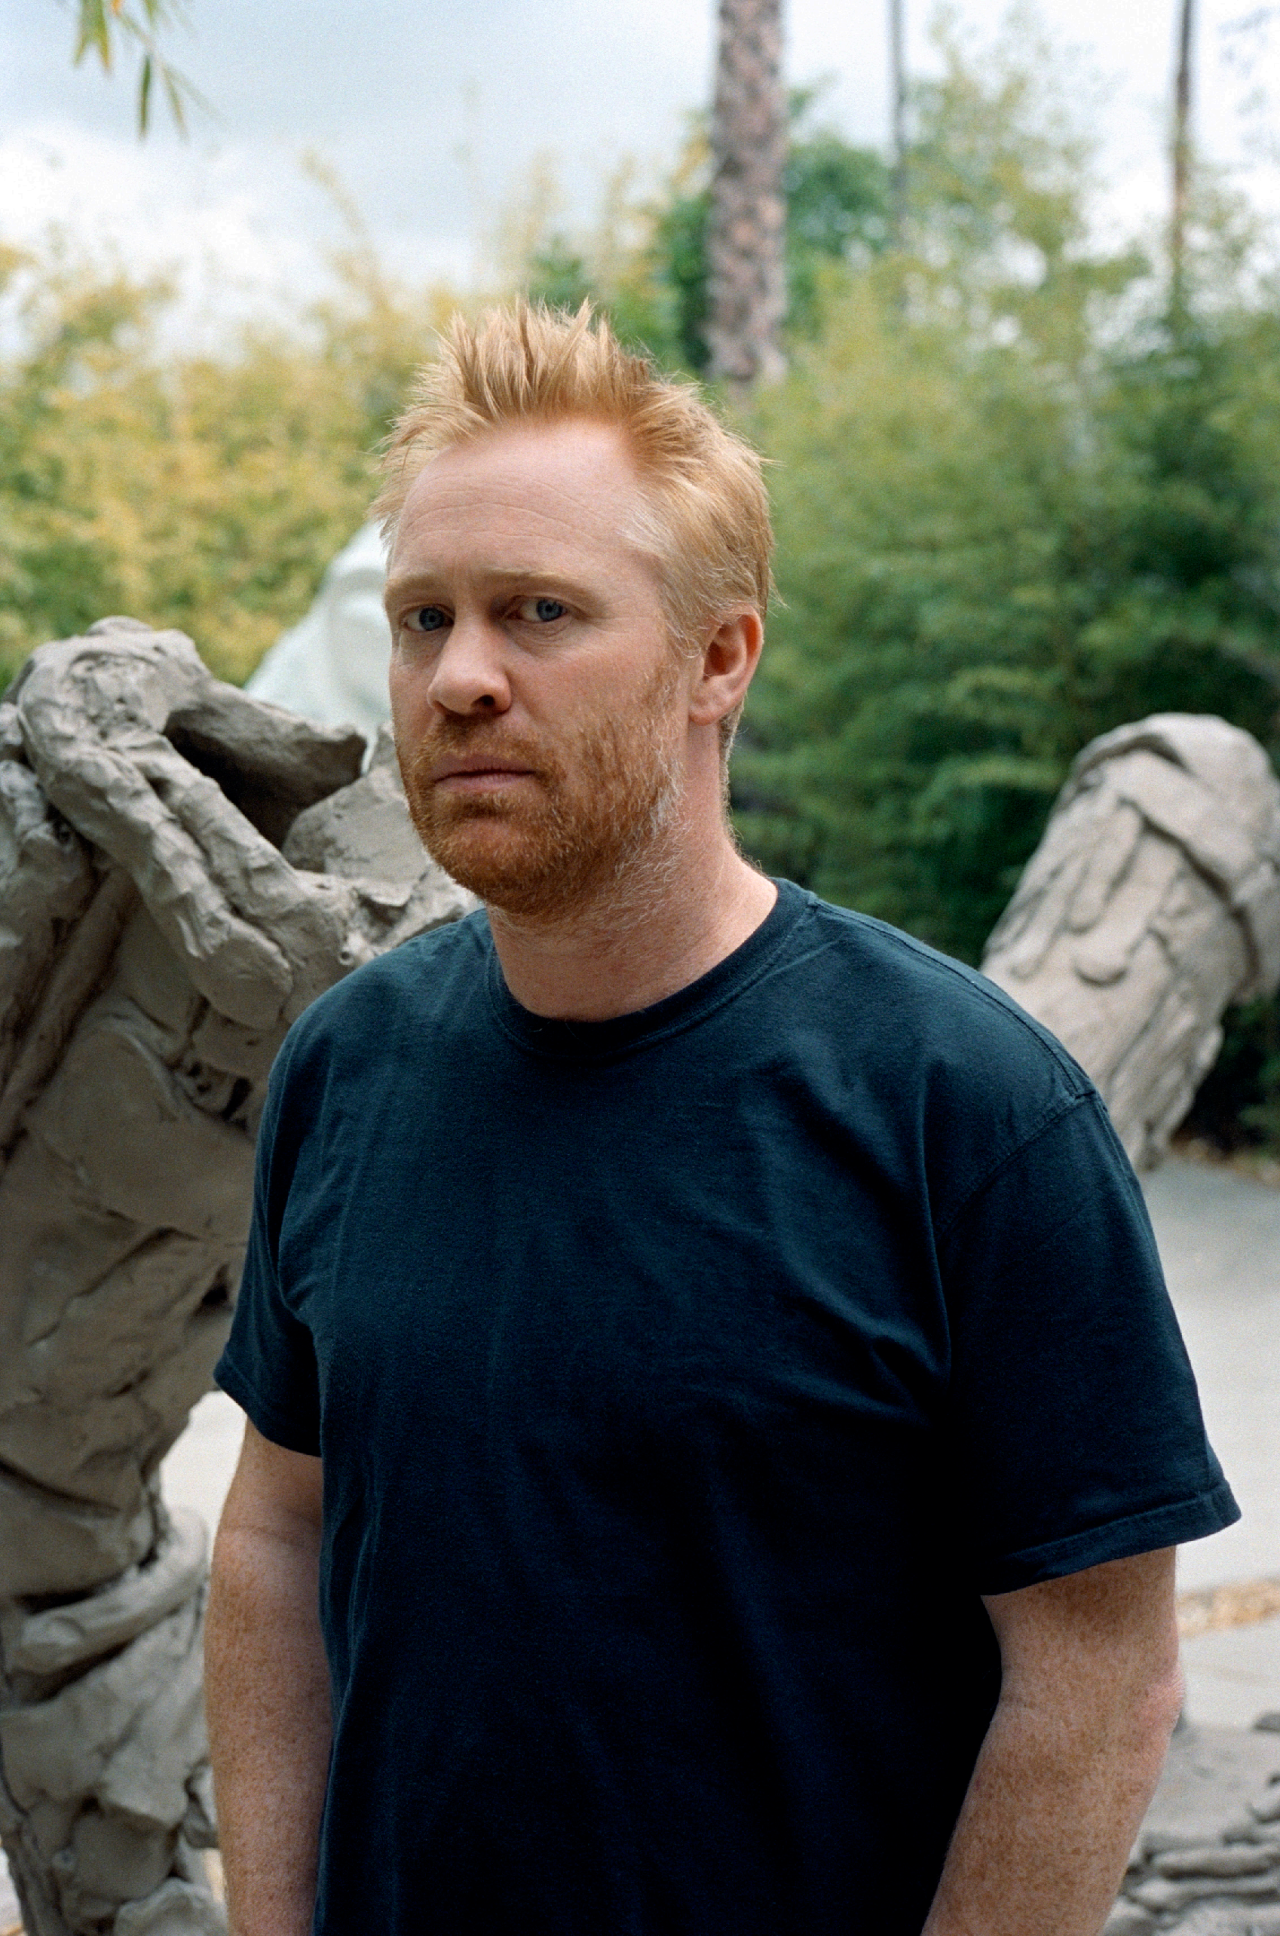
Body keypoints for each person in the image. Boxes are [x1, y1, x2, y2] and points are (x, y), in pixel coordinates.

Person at [205, 302, 1238, 1936]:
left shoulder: (966, 1108)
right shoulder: (347, 1067)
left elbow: (1099, 1672)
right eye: (423, 620)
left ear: (718, 658)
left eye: (539, 612)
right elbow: (276, 1535)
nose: (460, 677)